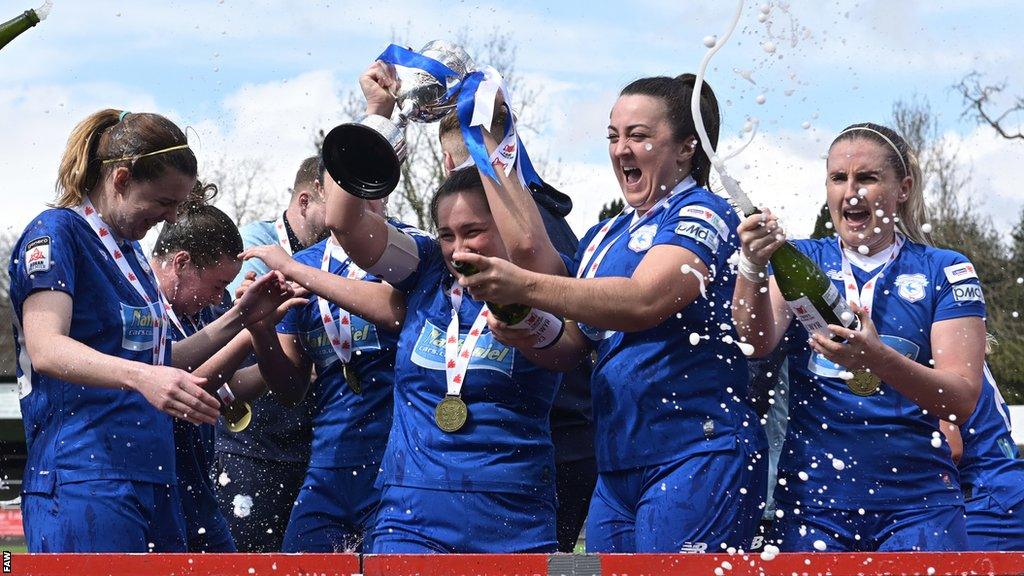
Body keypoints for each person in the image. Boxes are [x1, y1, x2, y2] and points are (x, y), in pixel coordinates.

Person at [453, 75, 767, 553]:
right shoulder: (605, 235)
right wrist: (525, 328)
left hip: (695, 454)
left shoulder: (703, 213)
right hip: (619, 464)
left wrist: (524, 284)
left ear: (686, 149)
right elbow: (574, 348)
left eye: (639, 136)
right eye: (613, 136)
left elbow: (643, 301)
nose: (621, 149)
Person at [10, 109, 296, 552]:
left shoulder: (132, 256)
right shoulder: (56, 234)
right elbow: (47, 348)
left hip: (154, 476)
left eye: (178, 206)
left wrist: (244, 317)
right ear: (121, 179)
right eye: (164, 202)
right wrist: (142, 377)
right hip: (84, 478)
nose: (169, 218)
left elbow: (162, 360)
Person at [324, 100, 567, 551]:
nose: (458, 249)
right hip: (411, 514)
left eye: (473, 231)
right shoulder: (427, 268)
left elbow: (532, 246)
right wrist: (379, 114)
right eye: (447, 234)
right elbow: (343, 221)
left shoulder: (545, 277)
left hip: (513, 512)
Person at [732, 122, 986, 552]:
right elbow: (755, 341)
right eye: (838, 178)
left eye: (867, 178)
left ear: (902, 188)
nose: (850, 193)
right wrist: (752, 268)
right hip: (813, 503)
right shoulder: (804, 258)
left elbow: (960, 400)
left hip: (918, 505)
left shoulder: (943, 269)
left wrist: (880, 360)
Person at [436, 110, 597, 553]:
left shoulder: (534, 230)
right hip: (543, 438)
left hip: (546, 439)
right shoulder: (539, 218)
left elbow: (573, 334)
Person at [236, 189, 405, 553]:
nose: (359, 199)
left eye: (370, 189)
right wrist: (261, 332)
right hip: (329, 467)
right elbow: (290, 389)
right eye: (347, 188)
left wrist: (301, 274)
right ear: (328, 193)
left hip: (401, 467)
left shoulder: (412, 250)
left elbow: (394, 311)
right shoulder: (304, 262)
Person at [216, 156, 327, 552]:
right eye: (338, 208)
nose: (347, 221)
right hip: (253, 446)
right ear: (304, 201)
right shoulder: (252, 244)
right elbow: (221, 334)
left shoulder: (345, 254)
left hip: (318, 444)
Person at [944, 342, 1024, 551]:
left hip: (986, 496)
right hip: (1005, 486)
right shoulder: (964, 356)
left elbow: (951, 448)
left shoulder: (937, 361)